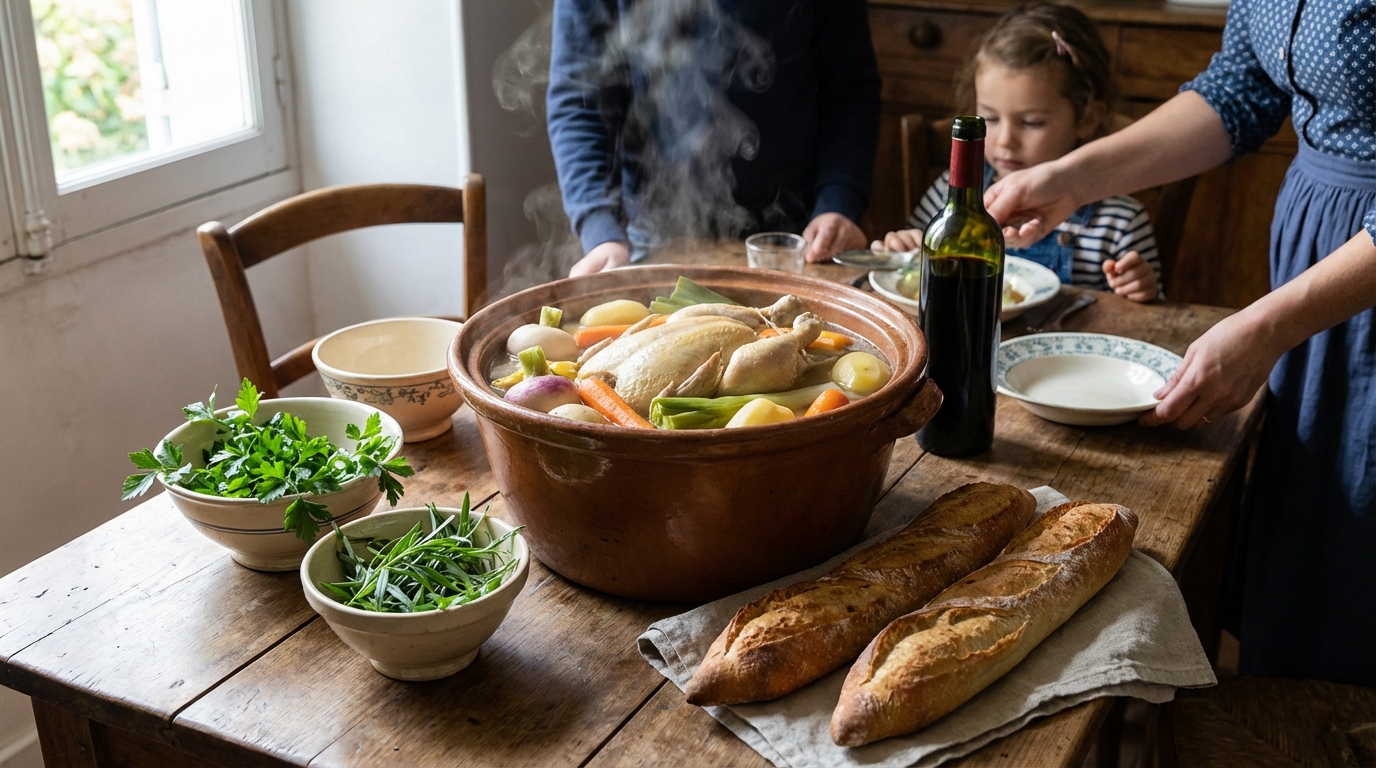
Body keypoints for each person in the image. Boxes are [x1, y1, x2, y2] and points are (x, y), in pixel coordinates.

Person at [983, 0, 1376, 684]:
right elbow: (1239, 92)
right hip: (1316, 259)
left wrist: (1269, 324)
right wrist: (1073, 177)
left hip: (1352, 275)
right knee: (1319, 558)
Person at [547, 0, 879, 276]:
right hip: (649, 240)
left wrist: (840, 201)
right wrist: (600, 228)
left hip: (793, 241)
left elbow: (850, 92)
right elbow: (580, 104)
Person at [874, 4, 1160, 302]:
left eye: (1031, 122)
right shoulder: (950, 193)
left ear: (1087, 117)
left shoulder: (1119, 222)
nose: (1005, 141)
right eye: (991, 119)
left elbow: (1154, 313)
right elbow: (913, 265)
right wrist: (905, 248)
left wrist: (1140, 287)